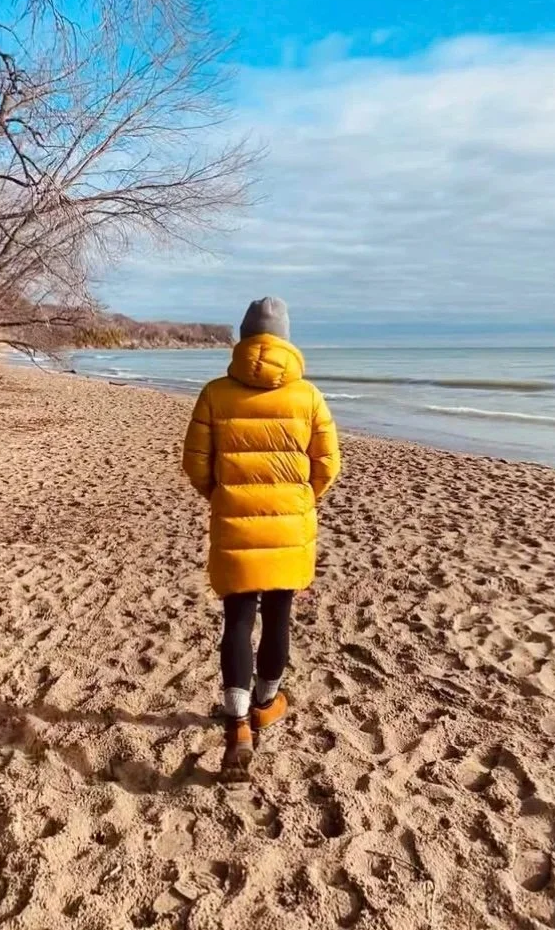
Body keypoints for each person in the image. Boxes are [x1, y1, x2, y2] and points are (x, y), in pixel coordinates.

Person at [182, 297, 341, 781]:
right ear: (285, 340)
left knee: (237, 621)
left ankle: (237, 726)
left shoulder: (215, 393)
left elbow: (195, 464)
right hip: (290, 526)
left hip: (235, 523)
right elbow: (328, 465)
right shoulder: (308, 396)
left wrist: (222, 497)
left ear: (245, 336)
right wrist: (300, 500)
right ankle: (266, 704)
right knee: (278, 618)